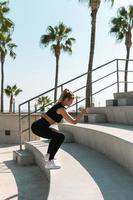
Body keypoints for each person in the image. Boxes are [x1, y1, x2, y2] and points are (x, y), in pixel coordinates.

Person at [31, 88, 88, 169]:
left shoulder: (58, 105)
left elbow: (65, 92)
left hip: (39, 126)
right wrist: (82, 113)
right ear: (66, 99)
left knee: (56, 136)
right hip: (39, 128)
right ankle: (49, 162)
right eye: (71, 101)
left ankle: (48, 156)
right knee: (60, 137)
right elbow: (73, 121)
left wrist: (45, 116)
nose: (72, 103)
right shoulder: (61, 109)